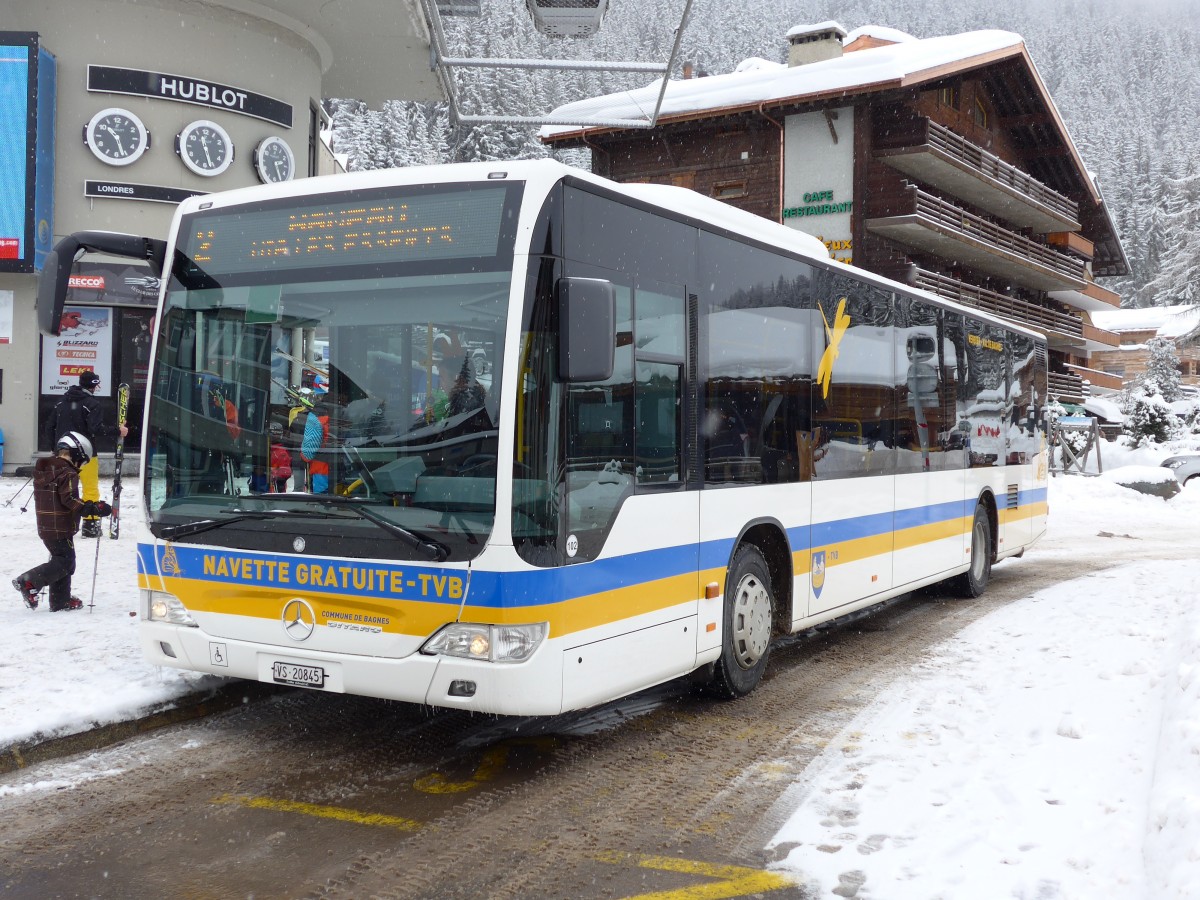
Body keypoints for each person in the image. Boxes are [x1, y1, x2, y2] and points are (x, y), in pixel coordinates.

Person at [11, 432, 111, 612]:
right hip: (61, 526)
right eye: (82, 462)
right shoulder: (67, 472)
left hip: (46, 525)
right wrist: (93, 508)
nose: (80, 466)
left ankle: (60, 601)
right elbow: (69, 499)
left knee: (62, 561)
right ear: (74, 455)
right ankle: (29, 581)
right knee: (66, 562)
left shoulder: (47, 470)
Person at [45, 370, 128, 537]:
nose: (98, 388)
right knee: (90, 489)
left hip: (63, 454)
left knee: (63, 489)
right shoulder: (92, 404)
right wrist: (118, 430)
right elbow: (95, 429)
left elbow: (49, 427)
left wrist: (55, 449)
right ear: (93, 385)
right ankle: (90, 526)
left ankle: (60, 523)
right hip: (86, 454)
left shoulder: (61, 402)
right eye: (97, 385)